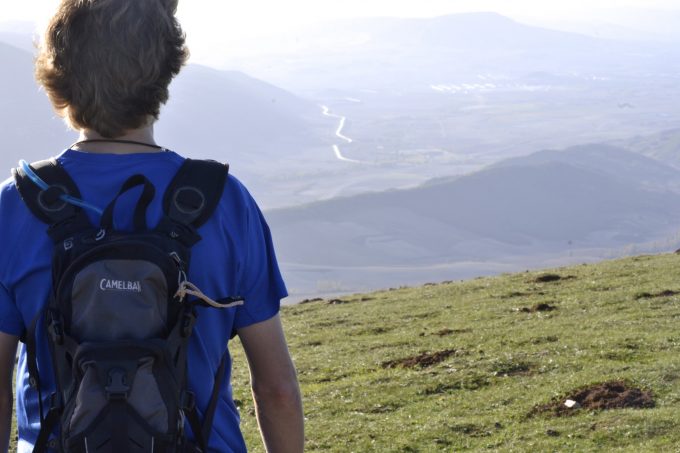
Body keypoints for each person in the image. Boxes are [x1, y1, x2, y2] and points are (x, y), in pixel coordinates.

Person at [0, 1, 304, 452]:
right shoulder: (225, 202)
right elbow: (275, 388)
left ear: (57, 77)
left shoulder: (15, 206)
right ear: (166, 69)